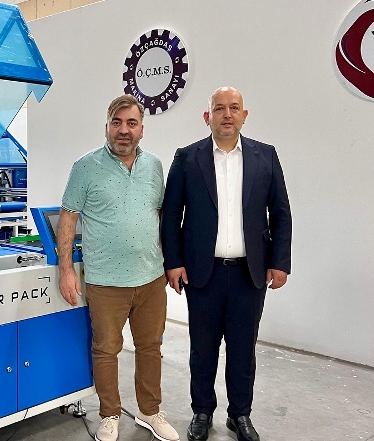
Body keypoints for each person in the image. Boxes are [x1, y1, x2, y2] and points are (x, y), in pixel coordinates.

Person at [160, 87, 292, 441]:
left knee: (243, 349)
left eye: (234, 108)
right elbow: (171, 215)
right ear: (208, 117)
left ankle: (240, 414)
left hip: (251, 273)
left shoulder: (265, 156)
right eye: (219, 108)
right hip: (203, 273)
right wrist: (173, 262)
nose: (227, 114)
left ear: (244, 115)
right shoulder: (187, 158)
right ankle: (202, 411)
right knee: (202, 349)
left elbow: (280, 213)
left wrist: (280, 261)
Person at [58, 94, 179, 441]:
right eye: (117, 123)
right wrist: (66, 269)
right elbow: (68, 217)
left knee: (150, 347)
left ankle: (150, 411)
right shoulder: (85, 166)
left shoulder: (154, 166)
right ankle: (109, 414)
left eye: (131, 123)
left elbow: (160, 216)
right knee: (106, 349)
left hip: (151, 277)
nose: (123, 130)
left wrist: (169, 263)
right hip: (105, 280)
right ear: (107, 127)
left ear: (142, 129)